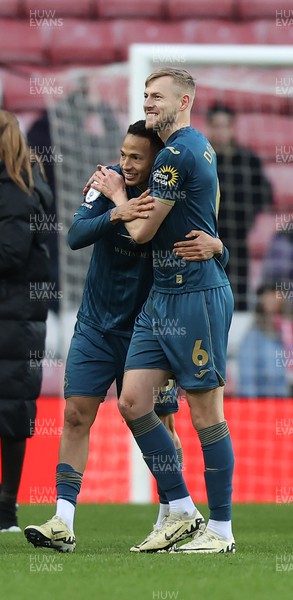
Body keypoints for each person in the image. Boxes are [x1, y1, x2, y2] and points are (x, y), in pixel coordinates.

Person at [24, 120, 227, 552]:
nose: (127, 164)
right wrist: (116, 208)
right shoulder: (105, 184)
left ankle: (171, 515)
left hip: (151, 326)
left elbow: (205, 234)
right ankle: (63, 519)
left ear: (157, 162)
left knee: (162, 421)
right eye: (124, 154)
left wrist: (219, 246)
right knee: (77, 413)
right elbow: (77, 235)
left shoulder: (169, 197)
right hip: (97, 324)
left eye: (138, 157)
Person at [91, 68, 235, 554]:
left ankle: (222, 530)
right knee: (133, 401)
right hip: (163, 295)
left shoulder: (176, 152)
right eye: (146, 95)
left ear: (186, 100)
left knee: (205, 412)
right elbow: (203, 217)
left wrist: (115, 197)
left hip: (195, 295)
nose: (149, 102)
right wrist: (220, 246)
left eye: (157, 96)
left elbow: (141, 233)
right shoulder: (199, 147)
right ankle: (181, 510)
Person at [0, 109, 52, 531]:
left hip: (12, 318)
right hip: (21, 317)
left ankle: (5, 513)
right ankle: (6, 511)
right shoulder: (26, 188)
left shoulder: (13, 192)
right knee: (13, 413)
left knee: (11, 414)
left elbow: (11, 254)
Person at [206, 102, 273, 311]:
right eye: (216, 126)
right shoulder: (202, 158)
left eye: (224, 126)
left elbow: (265, 194)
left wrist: (249, 217)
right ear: (209, 127)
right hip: (206, 236)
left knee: (237, 293)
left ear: (233, 127)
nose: (220, 131)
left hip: (237, 240)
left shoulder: (247, 160)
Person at [237, 283, 291, 398]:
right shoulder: (253, 337)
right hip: (263, 400)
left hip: (284, 399)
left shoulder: (286, 332)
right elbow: (247, 378)